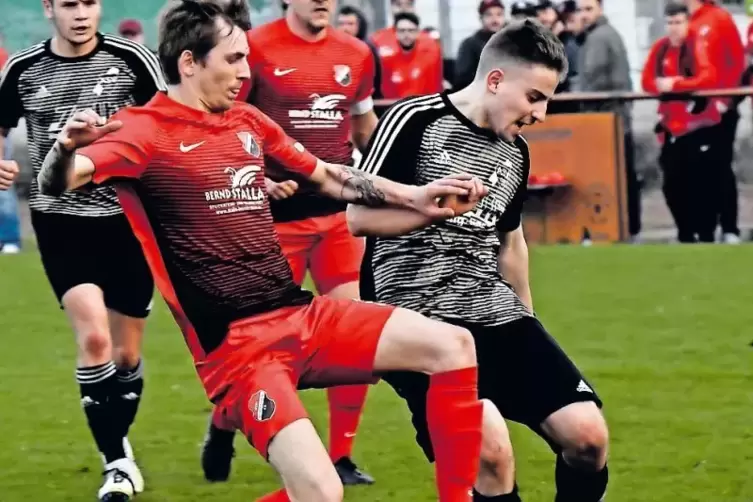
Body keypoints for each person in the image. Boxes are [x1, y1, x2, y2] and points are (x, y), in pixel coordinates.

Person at [24, 2, 488, 500]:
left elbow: (327, 174)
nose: (246, 72)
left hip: (301, 316)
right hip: (238, 351)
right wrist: (64, 149)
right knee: (322, 492)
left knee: (452, 346)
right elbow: (58, 183)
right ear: (188, 63)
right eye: (233, 59)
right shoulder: (143, 130)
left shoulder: (246, 119)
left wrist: (414, 195)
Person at [352, 20, 609, 502]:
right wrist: (426, 210)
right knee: (489, 451)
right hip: (416, 322)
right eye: (534, 97)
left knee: (587, 438)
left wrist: (529, 322)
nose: (541, 112)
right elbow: (357, 218)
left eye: (548, 99)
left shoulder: (516, 153)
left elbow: (511, 244)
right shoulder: (414, 120)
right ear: (495, 80)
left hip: (493, 312)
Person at [206, 0, 381, 486]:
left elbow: (366, 126)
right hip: (269, 224)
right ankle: (223, 424)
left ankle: (339, 457)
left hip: (338, 221)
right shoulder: (255, 47)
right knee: (262, 353)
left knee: (354, 343)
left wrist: (392, 179)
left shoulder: (357, 53)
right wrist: (257, 177)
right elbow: (224, 120)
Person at [0, 0, 164, 499]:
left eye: (89, 3)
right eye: (68, 4)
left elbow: (171, 120)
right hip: (60, 222)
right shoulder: (23, 68)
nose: (80, 14)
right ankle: (116, 461)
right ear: (49, 8)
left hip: (129, 221)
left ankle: (119, 445)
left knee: (127, 354)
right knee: (93, 341)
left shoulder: (133, 60)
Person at [641, 3, 721, 243]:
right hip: (671, 128)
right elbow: (647, 80)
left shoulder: (697, 44)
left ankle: (706, 233)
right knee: (672, 185)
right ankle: (685, 232)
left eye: (678, 23)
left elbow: (709, 77)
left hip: (699, 126)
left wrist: (676, 84)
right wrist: (661, 86)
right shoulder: (661, 48)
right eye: (670, 23)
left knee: (702, 183)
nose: (674, 28)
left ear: (687, 23)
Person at [681, 0, 745, 244]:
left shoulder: (718, 17)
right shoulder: (686, 22)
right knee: (696, 170)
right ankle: (704, 229)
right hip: (694, 111)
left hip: (719, 108)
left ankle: (729, 227)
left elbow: (736, 59)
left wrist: (726, 100)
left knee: (720, 167)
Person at [577, 0, 640, 242]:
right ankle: (629, 227)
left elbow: (592, 78)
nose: (584, 15)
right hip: (613, 115)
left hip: (606, 118)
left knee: (613, 174)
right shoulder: (601, 35)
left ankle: (619, 228)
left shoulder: (600, 38)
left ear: (600, 9)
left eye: (589, 9)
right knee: (624, 172)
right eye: (581, 10)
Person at [379, 12, 444, 100]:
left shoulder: (429, 57)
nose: (406, 35)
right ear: (395, 33)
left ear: (418, 32)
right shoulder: (385, 60)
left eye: (411, 30)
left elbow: (436, 87)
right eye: (402, 30)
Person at [454, 0, 506, 90]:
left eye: (499, 14)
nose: (495, 19)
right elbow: (462, 79)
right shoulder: (469, 45)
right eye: (489, 15)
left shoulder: (511, 43)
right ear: (481, 18)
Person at [337, 5, 383, 99]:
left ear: (359, 25)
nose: (345, 28)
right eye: (341, 24)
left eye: (350, 24)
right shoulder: (334, 48)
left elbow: (376, 81)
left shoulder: (367, 49)